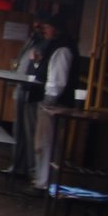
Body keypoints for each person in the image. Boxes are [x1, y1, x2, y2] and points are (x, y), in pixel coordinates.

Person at [27, 12, 78, 193]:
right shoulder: (57, 47)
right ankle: (43, 180)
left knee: (47, 143)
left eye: (47, 27)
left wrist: (49, 100)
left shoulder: (62, 49)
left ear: (56, 29)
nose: (45, 30)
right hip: (51, 102)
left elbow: (58, 80)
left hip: (54, 104)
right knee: (44, 142)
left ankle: (45, 183)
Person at [7, 11, 47, 177]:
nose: (37, 25)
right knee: (20, 130)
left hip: (33, 91)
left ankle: (30, 169)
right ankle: (18, 165)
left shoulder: (45, 44)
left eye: (41, 23)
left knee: (30, 131)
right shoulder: (32, 40)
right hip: (22, 87)